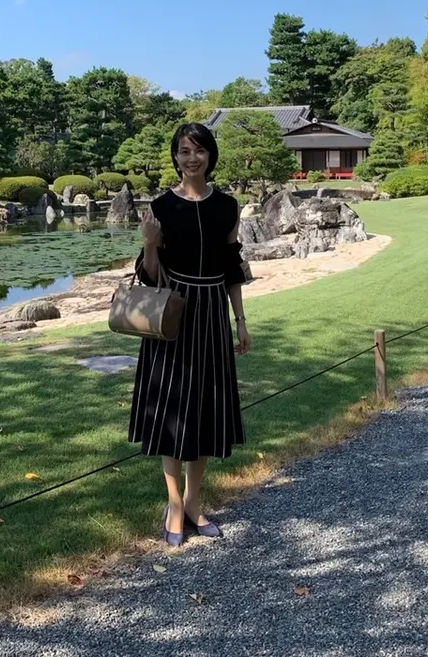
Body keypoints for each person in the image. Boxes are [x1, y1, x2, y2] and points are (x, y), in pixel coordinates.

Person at [128, 121, 252, 547]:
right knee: (171, 411)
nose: (191, 158)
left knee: (205, 410)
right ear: (175, 157)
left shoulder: (228, 206)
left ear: (210, 154)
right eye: (183, 151)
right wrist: (148, 242)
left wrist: (240, 320)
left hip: (213, 314)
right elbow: (148, 277)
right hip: (172, 316)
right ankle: (174, 504)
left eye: (198, 150)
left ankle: (195, 502)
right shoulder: (161, 206)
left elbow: (232, 269)